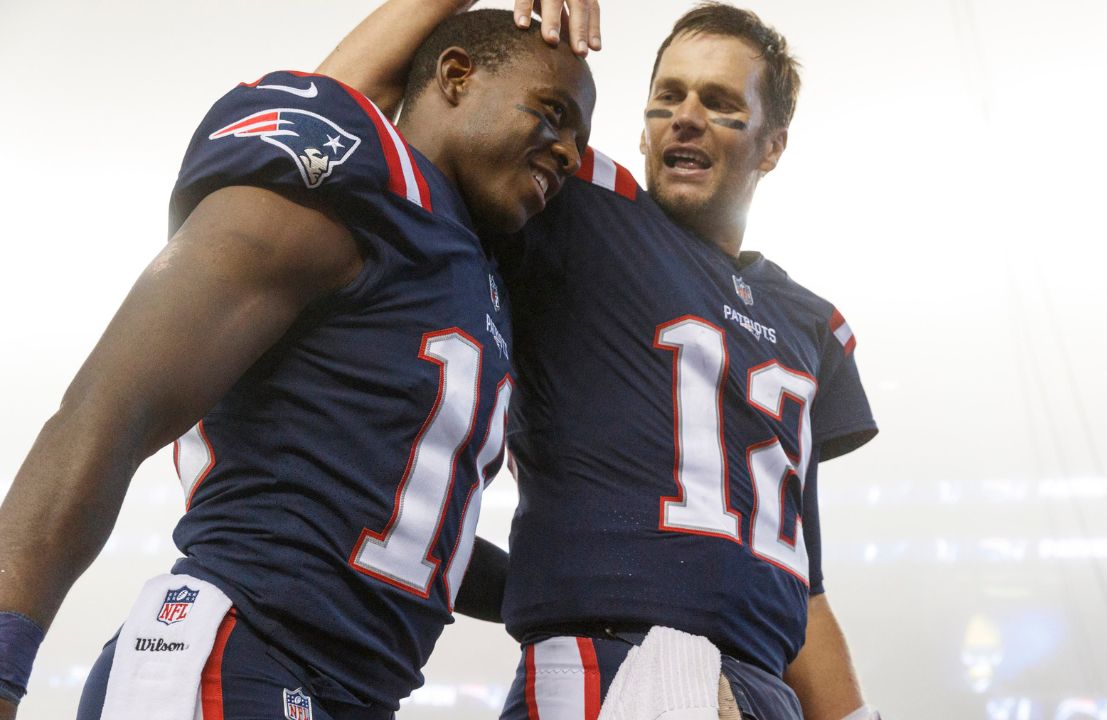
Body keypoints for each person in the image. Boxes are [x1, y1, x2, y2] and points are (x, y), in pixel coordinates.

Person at [0, 8, 596, 719]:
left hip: (344, 688)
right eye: (552, 113)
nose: (566, 152)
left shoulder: (478, 274)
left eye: (578, 140)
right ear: (456, 75)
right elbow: (105, 412)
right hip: (242, 648)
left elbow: (416, 544)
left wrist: (604, 592)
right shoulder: (357, 182)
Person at [323, 2, 881, 719]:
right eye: (667, 98)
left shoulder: (811, 322)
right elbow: (338, 126)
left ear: (772, 146)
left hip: (767, 690)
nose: (685, 116)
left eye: (717, 102)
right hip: (609, 661)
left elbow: (803, 584)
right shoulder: (581, 205)